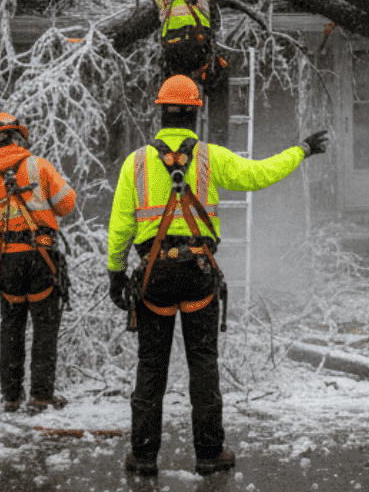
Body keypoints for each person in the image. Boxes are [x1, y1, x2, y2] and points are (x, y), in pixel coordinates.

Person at [105, 75, 329, 477]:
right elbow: (260, 174)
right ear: (195, 114)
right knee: (203, 364)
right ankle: (209, 454)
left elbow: (120, 226)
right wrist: (302, 150)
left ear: (161, 112)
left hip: (154, 275)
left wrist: (115, 274)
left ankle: (143, 456)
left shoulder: (136, 163)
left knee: (151, 367)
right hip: (198, 272)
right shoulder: (209, 158)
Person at [0, 110, 79, 414]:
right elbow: (67, 204)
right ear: (19, 136)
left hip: (8, 262)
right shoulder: (38, 167)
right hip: (41, 256)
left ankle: (11, 397)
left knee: (11, 328)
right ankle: (41, 397)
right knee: (44, 328)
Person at [151, 0, 231, 117]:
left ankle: (177, 122)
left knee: (174, 89)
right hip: (199, 47)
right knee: (219, 76)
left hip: (172, 49)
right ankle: (218, 134)